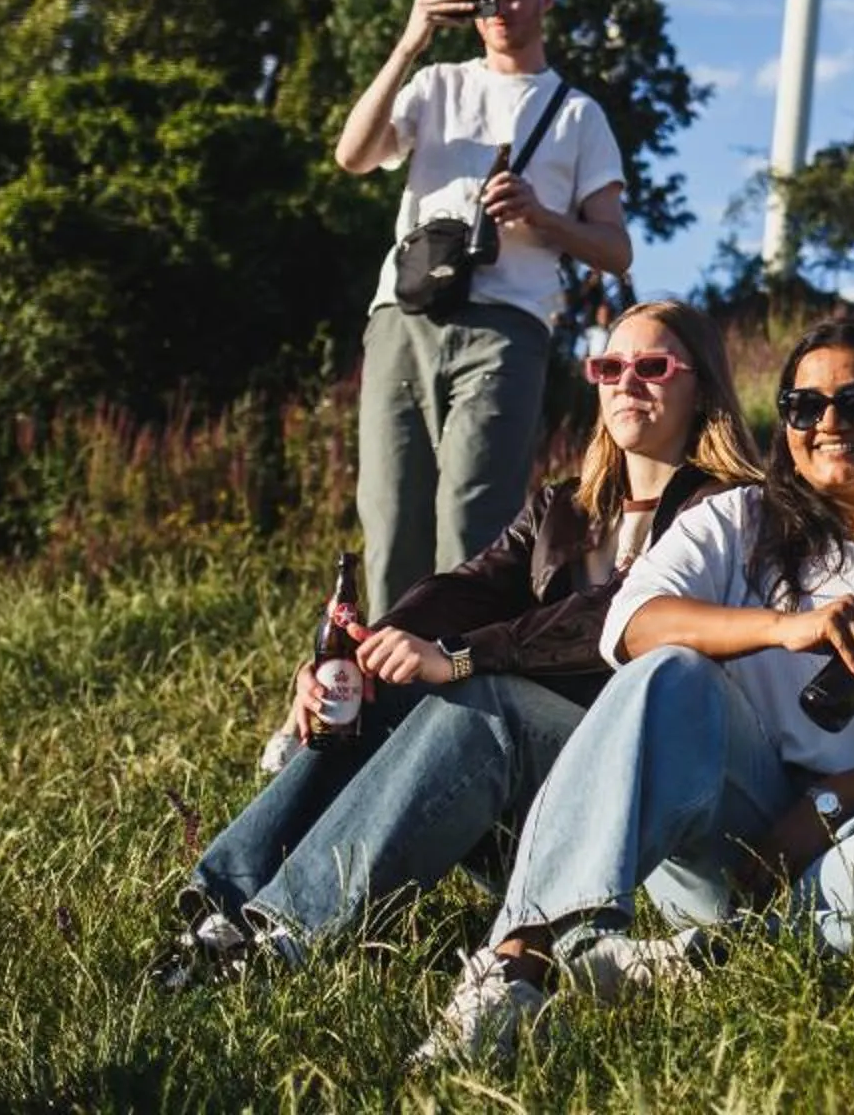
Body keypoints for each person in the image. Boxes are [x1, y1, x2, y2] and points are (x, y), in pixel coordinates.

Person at [413, 318, 854, 1066]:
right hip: (741, 834)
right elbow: (631, 625)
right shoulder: (741, 519)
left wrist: (826, 807)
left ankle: (701, 961)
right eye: (805, 407)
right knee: (669, 674)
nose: (831, 423)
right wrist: (785, 629)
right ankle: (516, 966)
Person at [162, 300, 755, 983]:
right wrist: (357, 658)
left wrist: (459, 658)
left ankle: (288, 936)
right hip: (533, 795)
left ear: (701, 385)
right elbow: (464, 588)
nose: (626, 382)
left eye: (652, 367)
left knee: (485, 700)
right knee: (388, 685)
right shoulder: (563, 508)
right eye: (608, 366)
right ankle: (223, 909)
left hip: (634, 795)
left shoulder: (725, 508)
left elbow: (614, 616)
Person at [334, 0, 635, 619]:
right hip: (406, 314)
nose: (498, 10)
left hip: (510, 324)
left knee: (474, 513)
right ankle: (386, 669)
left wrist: (541, 216)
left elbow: (616, 250)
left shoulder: (578, 115)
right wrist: (410, 43)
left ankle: (462, 665)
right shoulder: (436, 84)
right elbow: (353, 156)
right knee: (389, 510)